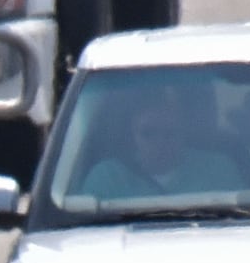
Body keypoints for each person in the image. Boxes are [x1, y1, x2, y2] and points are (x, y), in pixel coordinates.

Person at [75, 82, 237, 204]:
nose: (160, 142)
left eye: (170, 133)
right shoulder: (106, 177)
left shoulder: (219, 170)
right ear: (132, 133)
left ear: (185, 133)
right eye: (148, 133)